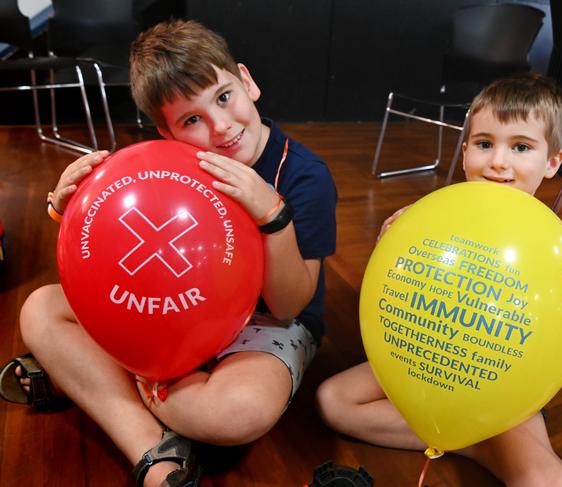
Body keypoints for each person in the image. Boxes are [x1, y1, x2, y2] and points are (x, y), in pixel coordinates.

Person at [0, 19, 336, 487]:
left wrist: (273, 217)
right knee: (38, 310)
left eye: (223, 97)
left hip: (266, 326)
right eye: (191, 120)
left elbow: (289, 305)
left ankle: (91, 384)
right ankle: (153, 450)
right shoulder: (160, 168)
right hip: (173, 318)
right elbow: (106, 253)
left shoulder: (304, 175)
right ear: (166, 132)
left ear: (248, 81)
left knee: (235, 414)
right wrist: (64, 206)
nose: (220, 127)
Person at [316, 73, 562, 486]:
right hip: (425, 356)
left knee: (542, 483)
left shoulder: (552, 257)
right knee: (333, 401)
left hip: (500, 386)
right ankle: (469, 440)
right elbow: (389, 304)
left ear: (553, 163)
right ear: (465, 150)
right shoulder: (427, 219)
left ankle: (484, 434)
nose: (497, 162)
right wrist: (392, 252)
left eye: (521, 147)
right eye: (484, 143)